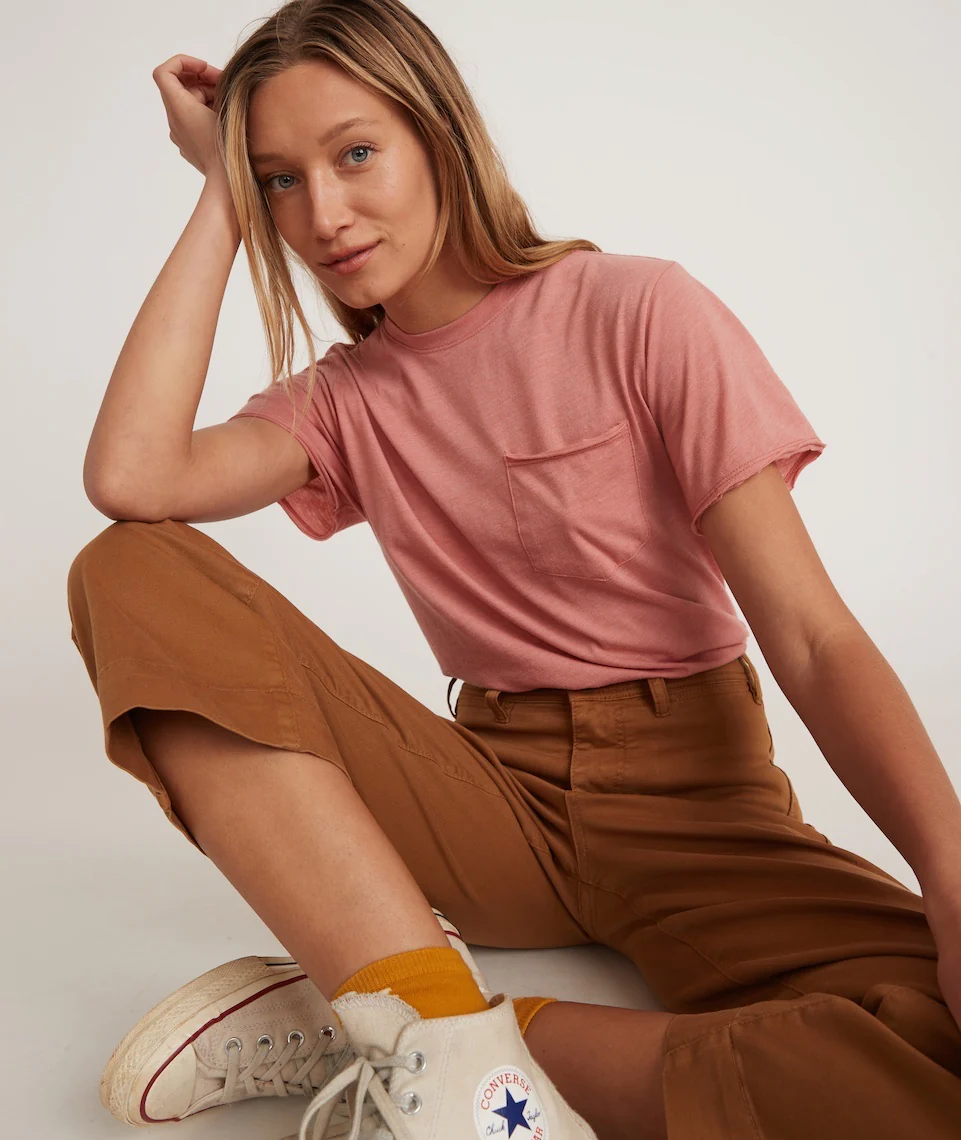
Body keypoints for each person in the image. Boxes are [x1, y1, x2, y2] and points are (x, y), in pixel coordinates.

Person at [67, 1, 961, 1138]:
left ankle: (400, 1028)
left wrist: (951, 880)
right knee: (131, 569)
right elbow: (132, 477)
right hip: (488, 804)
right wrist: (219, 196)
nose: (322, 214)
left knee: (937, 1042)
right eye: (280, 181)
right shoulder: (342, 403)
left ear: (439, 133)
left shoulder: (639, 310)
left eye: (354, 154)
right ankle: (431, 1031)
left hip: (698, 808)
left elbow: (812, 636)